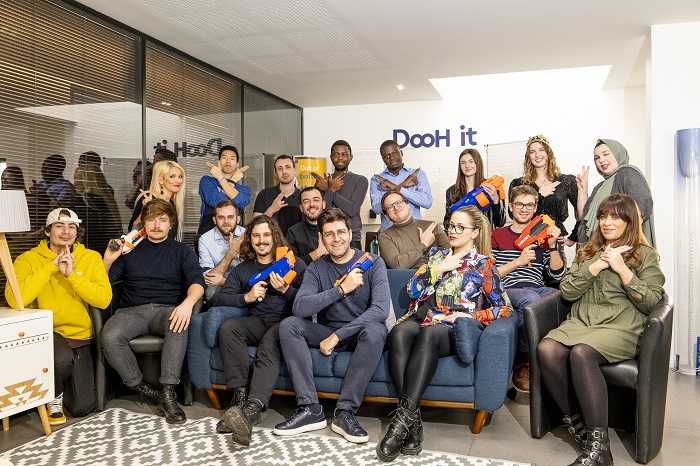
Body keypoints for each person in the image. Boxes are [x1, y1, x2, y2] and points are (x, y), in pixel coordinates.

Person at [537, 194, 664, 466]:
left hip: (621, 325)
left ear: (630, 221)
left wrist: (622, 269)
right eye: (604, 216)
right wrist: (597, 266)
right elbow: (568, 292)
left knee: (581, 353)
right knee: (546, 349)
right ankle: (579, 425)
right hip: (582, 321)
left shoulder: (645, 254)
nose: (607, 222)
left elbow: (653, 302)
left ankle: (600, 448)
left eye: (615, 217)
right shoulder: (587, 251)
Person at [377, 205, 512, 462]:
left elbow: (504, 308)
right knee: (399, 333)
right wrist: (438, 269)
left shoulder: (483, 265)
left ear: (474, 233)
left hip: (450, 328)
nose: (453, 231)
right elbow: (412, 290)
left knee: (429, 335)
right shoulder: (436, 255)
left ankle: (399, 426)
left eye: (461, 227)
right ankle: (412, 423)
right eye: (451, 225)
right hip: (422, 318)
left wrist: (470, 316)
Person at [274, 208, 390, 443]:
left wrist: (338, 336)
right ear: (322, 238)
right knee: (289, 325)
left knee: (376, 329)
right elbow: (300, 307)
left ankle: (344, 413)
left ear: (350, 233)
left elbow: (380, 310)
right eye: (329, 234)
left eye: (340, 232)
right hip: (326, 331)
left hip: (359, 333)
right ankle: (310, 409)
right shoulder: (317, 268)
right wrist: (340, 290)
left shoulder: (373, 262)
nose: (336, 239)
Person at [102, 199, 205, 424]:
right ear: (144, 224)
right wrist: (108, 260)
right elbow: (103, 283)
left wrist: (187, 304)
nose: (157, 225)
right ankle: (144, 389)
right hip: (132, 311)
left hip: (166, 310)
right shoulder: (129, 250)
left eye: (162, 220)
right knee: (110, 335)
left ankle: (167, 392)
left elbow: (197, 283)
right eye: (151, 220)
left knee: (178, 323)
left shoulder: (182, 251)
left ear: (171, 224)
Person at [5, 208, 112, 425]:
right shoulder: (28, 259)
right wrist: (50, 267)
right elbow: (15, 299)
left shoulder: (90, 258)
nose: (66, 232)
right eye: (59, 226)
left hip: (79, 336)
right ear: (47, 231)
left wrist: (72, 275)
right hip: (46, 333)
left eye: (71, 226)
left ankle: (56, 386)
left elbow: (103, 299)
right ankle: (53, 396)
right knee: (60, 357)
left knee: (82, 407)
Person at [212, 215, 306, 446]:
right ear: (250, 240)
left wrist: (285, 290)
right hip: (256, 320)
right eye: (256, 236)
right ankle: (239, 400)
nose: (261, 240)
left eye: (266, 235)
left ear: (274, 237)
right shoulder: (244, 269)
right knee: (228, 328)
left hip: (285, 323)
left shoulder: (294, 264)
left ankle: (251, 411)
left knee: (268, 344)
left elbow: (308, 302)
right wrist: (247, 297)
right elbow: (220, 298)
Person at [491, 184, 565, 392]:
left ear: (535, 208)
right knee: (530, 299)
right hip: (508, 289)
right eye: (520, 204)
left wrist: (553, 245)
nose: (524, 209)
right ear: (511, 207)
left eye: (529, 205)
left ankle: (552, 359)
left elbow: (557, 276)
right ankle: (523, 360)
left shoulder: (543, 237)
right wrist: (518, 262)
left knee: (559, 297)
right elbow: (489, 276)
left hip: (536, 288)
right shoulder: (497, 235)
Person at [570, 139, 655, 248]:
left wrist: (622, 247)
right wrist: (582, 190)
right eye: (597, 158)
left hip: (616, 249)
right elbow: (584, 218)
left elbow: (641, 209)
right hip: (594, 249)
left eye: (606, 154)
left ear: (618, 153)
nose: (601, 160)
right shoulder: (601, 186)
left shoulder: (628, 174)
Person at [508, 135, 577, 237]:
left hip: (555, 238)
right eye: (532, 152)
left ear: (548, 153)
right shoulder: (518, 183)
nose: (537, 155)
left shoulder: (565, 181)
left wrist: (574, 237)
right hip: (528, 238)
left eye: (541, 150)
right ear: (528, 156)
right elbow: (512, 213)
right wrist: (539, 195)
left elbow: (582, 212)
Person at [311, 140, 369, 248]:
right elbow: (322, 213)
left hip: (352, 238)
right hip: (327, 238)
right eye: (336, 154)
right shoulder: (322, 182)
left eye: (344, 154)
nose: (340, 158)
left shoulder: (360, 180)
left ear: (351, 157)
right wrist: (329, 189)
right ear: (331, 157)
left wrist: (329, 190)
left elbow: (351, 209)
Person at [370, 140, 432, 231]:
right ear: (383, 159)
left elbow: (427, 202)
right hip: (388, 233)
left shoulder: (417, 174)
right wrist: (400, 187)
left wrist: (396, 188)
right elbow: (376, 209)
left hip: (415, 232)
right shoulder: (377, 180)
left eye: (394, 153)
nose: (391, 158)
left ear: (401, 153)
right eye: (387, 156)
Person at [378, 191, 449, 269]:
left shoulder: (432, 227)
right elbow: (397, 265)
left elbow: (451, 255)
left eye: (398, 202)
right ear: (387, 216)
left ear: (407, 205)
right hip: (406, 277)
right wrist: (423, 245)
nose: (396, 208)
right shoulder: (385, 237)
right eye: (390, 207)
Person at [445, 148, 506, 229]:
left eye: (471, 161)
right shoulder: (451, 191)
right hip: (462, 235)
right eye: (463, 163)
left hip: (486, 235)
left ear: (478, 163)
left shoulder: (491, 188)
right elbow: (447, 223)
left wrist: (496, 200)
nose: (467, 166)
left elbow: (501, 222)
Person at [198, 144, 251, 235]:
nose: (228, 161)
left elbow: (240, 203)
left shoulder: (244, 189)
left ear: (237, 164)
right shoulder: (207, 181)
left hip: (234, 237)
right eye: (224, 158)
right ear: (219, 162)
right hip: (207, 234)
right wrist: (232, 181)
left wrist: (221, 178)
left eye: (232, 158)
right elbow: (216, 202)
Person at [198, 200, 245, 301]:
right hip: (218, 288)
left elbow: (253, 272)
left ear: (238, 219)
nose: (226, 222)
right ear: (215, 220)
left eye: (230, 217)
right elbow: (208, 278)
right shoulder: (205, 239)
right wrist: (231, 253)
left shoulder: (248, 236)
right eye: (221, 218)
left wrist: (225, 281)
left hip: (243, 285)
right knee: (211, 292)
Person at [128, 160, 186, 241]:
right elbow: (132, 230)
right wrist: (145, 210)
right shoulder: (149, 198)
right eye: (172, 176)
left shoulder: (172, 204)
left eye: (180, 176)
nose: (178, 181)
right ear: (161, 180)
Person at [73, 163, 123, 253]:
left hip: (92, 252)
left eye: (77, 179)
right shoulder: (107, 200)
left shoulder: (88, 201)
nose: (74, 184)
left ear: (87, 181)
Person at [253, 155, 302, 236]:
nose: (284, 171)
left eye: (288, 167)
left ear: (294, 170)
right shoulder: (264, 194)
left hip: (297, 243)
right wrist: (271, 210)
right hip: (271, 242)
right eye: (280, 168)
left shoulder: (303, 197)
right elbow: (254, 226)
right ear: (275, 173)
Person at [286, 186, 328, 265]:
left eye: (316, 200)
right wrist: (318, 252)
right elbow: (291, 265)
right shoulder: (293, 232)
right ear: (301, 208)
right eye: (306, 201)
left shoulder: (335, 228)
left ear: (323, 204)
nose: (311, 204)